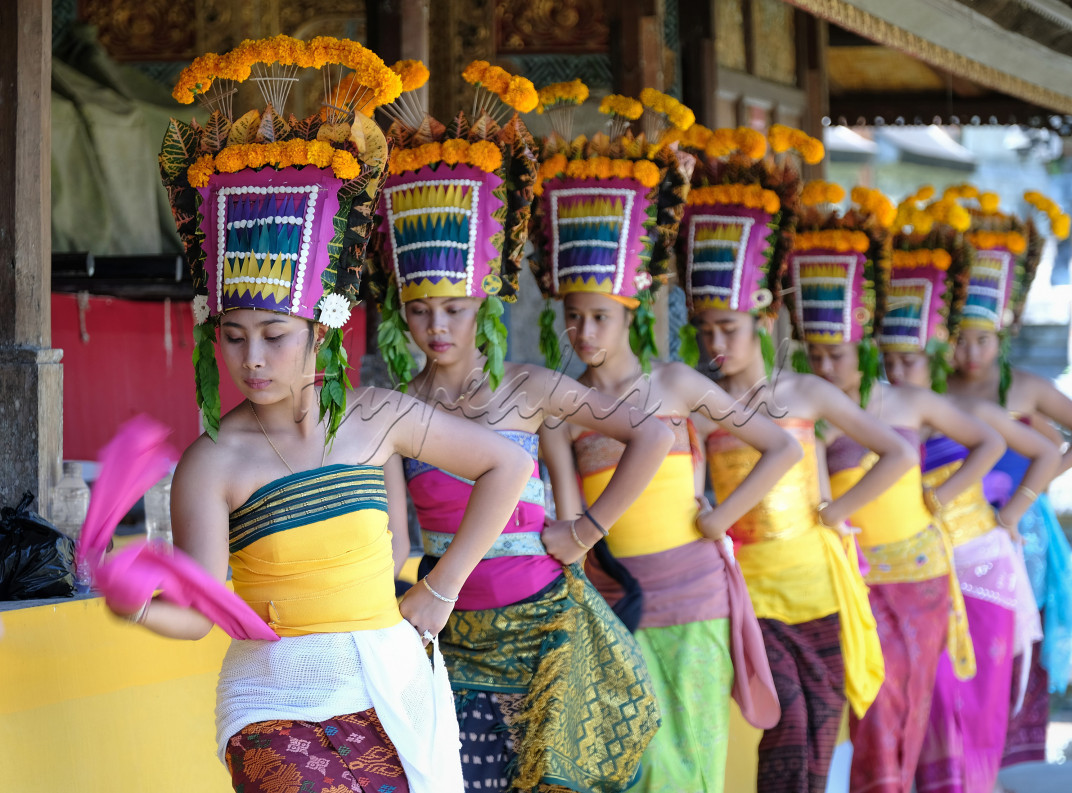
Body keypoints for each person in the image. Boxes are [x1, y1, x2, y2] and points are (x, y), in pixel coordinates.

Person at [121, 40, 537, 793]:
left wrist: (440, 587)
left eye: (274, 336)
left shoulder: (377, 417)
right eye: (234, 337)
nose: (252, 359)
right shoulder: (211, 463)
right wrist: (135, 600)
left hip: (389, 684)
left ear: (323, 330)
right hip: (271, 702)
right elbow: (197, 610)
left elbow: (509, 462)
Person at [368, 66, 670, 793]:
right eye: (419, 310)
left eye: (455, 309)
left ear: (484, 304)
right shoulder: (393, 412)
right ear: (401, 312)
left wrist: (587, 528)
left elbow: (653, 435)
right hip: (454, 642)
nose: (437, 327)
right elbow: (397, 544)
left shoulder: (526, 388)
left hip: (550, 631)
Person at [538, 120, 832, 793]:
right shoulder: (562, 409)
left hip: (698, 593)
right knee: (641, 765)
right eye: (574, 317)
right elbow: (572, 518)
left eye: (599, 317)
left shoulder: (675, 385)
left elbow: (781, 445)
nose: (584, 331)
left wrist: (721, 515)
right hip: (620, 599)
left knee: (693, 759)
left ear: (629, 309)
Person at [674, 149, 904, 793]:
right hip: (748, 589)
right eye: (705, 330)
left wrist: (836, 510)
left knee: (818, 732)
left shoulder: (806, 393)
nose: (715, 344)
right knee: (785, 723)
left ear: (763, 317)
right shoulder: (698, 405)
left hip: (818, 585)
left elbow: (899, 453)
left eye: (728, 328)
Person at [788, 186, 992, 793]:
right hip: (850, 579)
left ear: (862, 348)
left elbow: (989, 443)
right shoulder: (811, 415)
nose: (824, 367)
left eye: (836, 354)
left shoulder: (903, 401)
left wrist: (941, 496)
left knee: (900, 711)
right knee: (864, 712)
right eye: (815, 355)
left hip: (918, 573)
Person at [885, 187, 1058, 793]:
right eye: (889, 358)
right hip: (917, 572)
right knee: (927, 713)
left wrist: (1014, 512)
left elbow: (1046, 450)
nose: (896, 369)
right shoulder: (884, 410)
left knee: (977, 714)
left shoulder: (973, 405)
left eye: (907, 359)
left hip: (983, 563)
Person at [942, 186, 1072, 768]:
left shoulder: (1025, 387)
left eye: (982, 339)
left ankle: (996, 763)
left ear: (1002, 333)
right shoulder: (933, 391)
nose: (970, 351)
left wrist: (1031, 493)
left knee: (1010, 647)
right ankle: (960, 759)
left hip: (1015, 528)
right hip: (950, 528)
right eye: (960, 339)